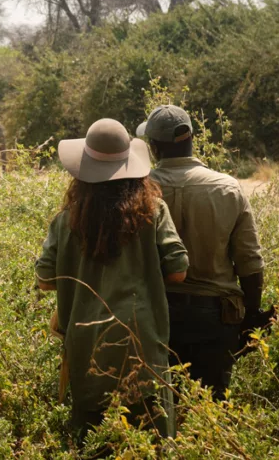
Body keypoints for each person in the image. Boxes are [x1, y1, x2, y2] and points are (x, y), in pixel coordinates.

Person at [36, 118, 189, 438]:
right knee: (152, 438)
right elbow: (177, 270)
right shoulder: (154, 211)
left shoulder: (66, 220)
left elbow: (44, 279)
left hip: (86, 345)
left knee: (92, 440)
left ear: (82, 172)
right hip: (143, 343)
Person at [137, 105, 266, 400]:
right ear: (191, 138)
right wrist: (252, 316)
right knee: (210, 407)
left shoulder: (140, 189)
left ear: (154, 147)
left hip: (155, 314)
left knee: (158, 406)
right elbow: (250, 262)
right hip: (216, 318)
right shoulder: (228, 188)